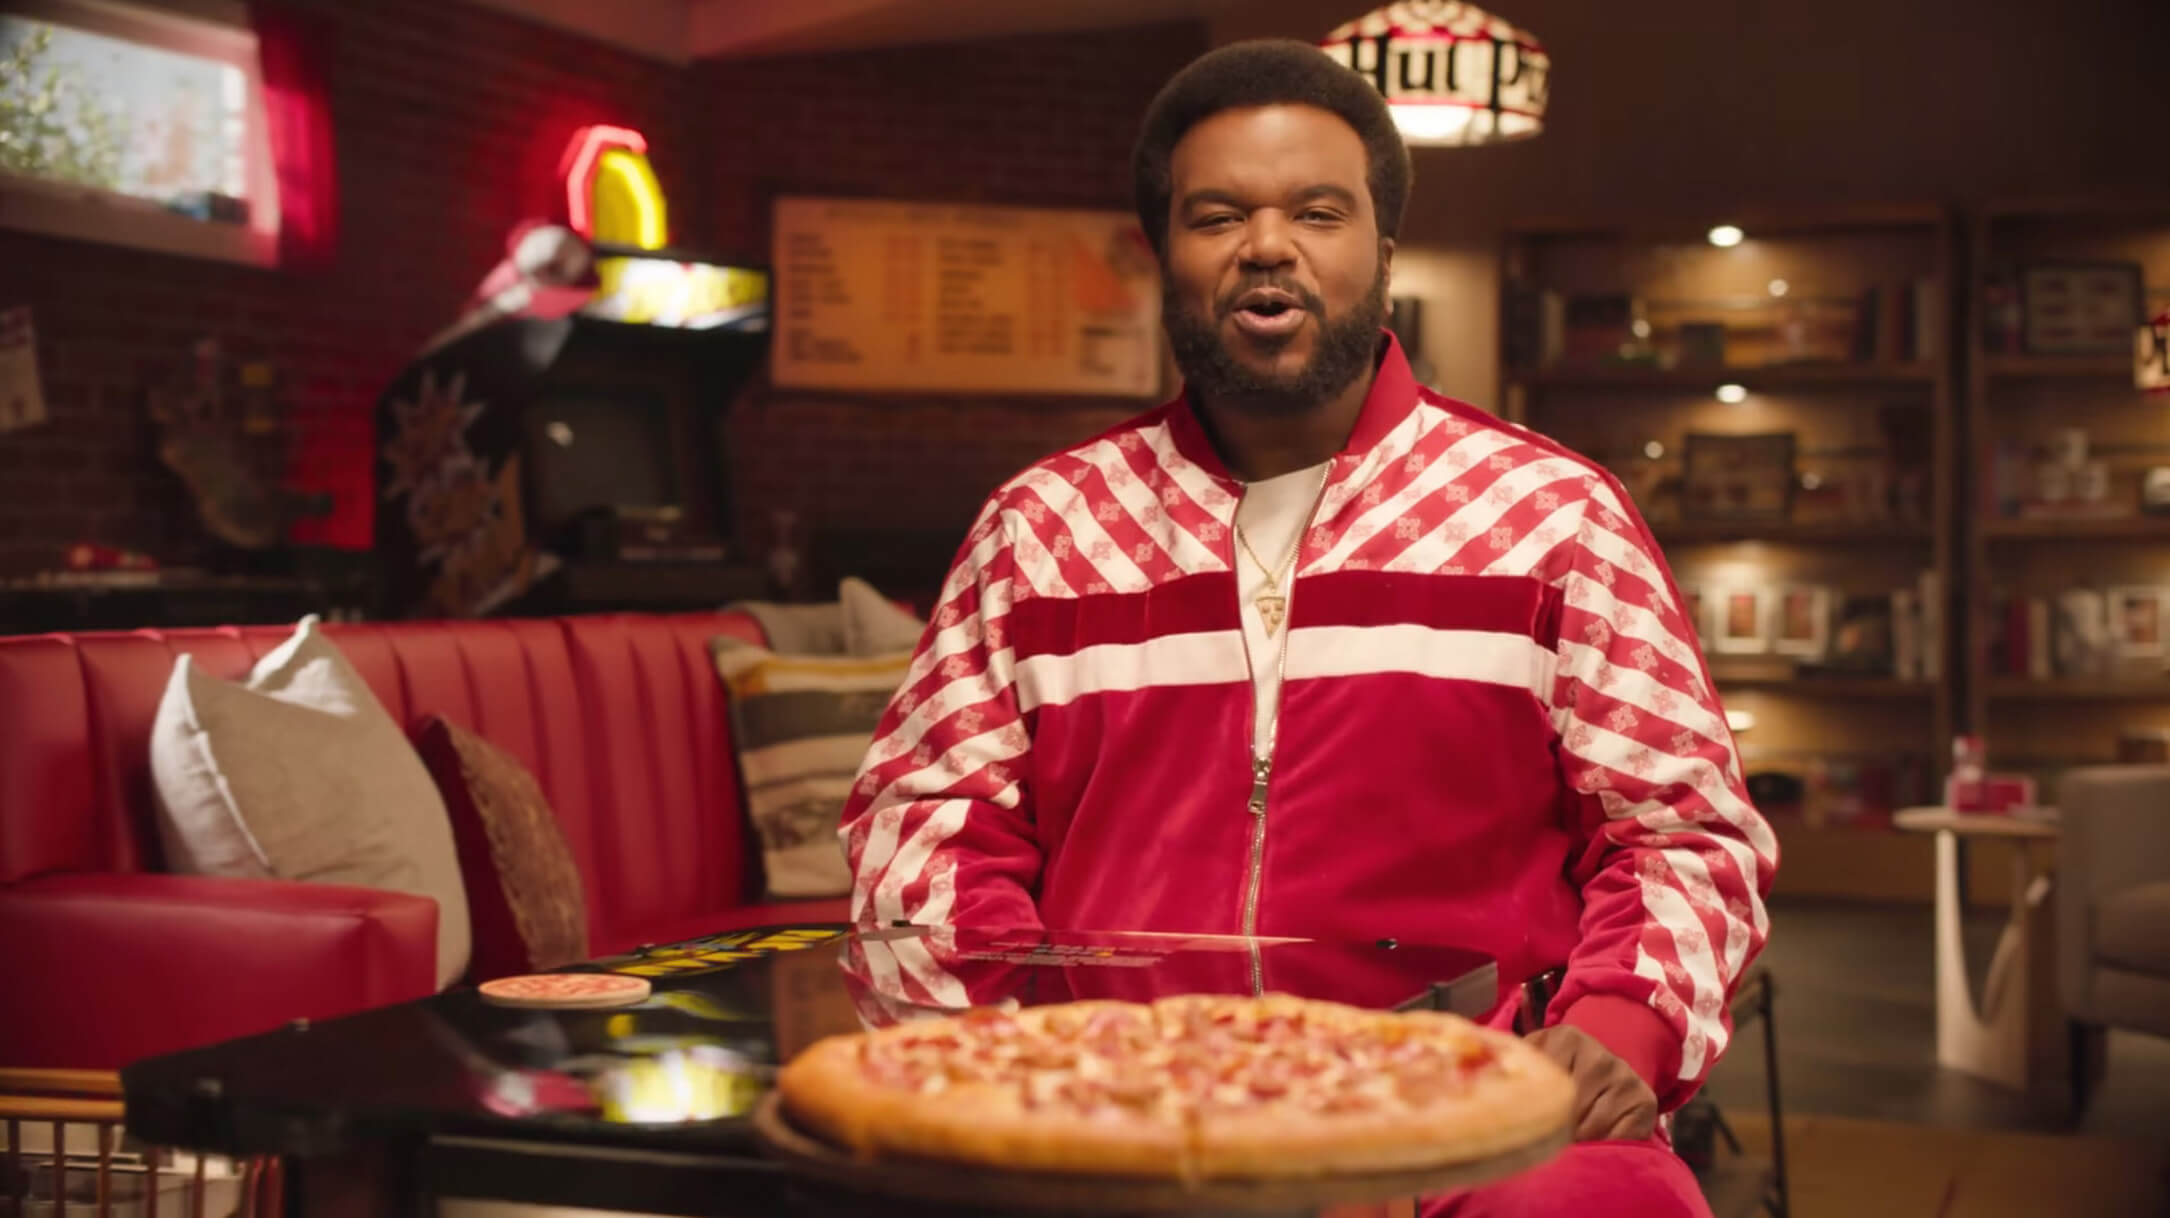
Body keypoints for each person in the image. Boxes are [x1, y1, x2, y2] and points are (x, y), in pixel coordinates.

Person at [840, 38, 1776, 1217]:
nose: (1267, 245)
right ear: (1161, 255)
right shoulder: (1039, 528)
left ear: (1381, 250)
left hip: (1475, 1101)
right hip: (1118, 1109)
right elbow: (924, 824)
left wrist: (1616, 1030)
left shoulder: (1550, 516)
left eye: (1317, 212)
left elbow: (1683, 832)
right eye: (1218, 214)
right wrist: (1019, 1056)